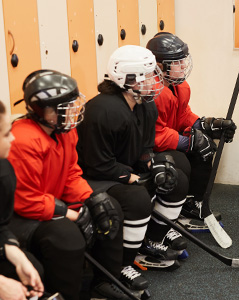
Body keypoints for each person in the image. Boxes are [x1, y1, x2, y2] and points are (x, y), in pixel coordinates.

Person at [7, 70, 140, 299]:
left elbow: (71, 174)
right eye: (65, 107)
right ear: (45, 111)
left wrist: (91, 197)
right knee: (65, 237)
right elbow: (26, 201)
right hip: (21, 215)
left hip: (50, 203)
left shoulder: (65, 131)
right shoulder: (23, 140)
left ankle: (104, 281)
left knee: (108, 209)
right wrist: (70, 214)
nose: (72, 111)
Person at [76, 45, 188, 270]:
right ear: (129, 80)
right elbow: (98, 164)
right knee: (137, 197)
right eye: (148, 76)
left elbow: (145, 149)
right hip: (96, 176)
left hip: (123, 170)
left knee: (175, 178)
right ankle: (121, 265)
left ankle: (150, 240)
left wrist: (153, 164)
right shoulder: (101, 112)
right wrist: (134, 179)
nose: (154, 82)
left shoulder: (146, 106)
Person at [146, 32, 237, 231]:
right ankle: (172, 209)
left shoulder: (181, 86)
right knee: (184, 160)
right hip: (149, 148)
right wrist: (186, 142)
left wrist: (206, 124)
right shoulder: (153, 92)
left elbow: (182, 115)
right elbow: (155, 135)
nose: (183, 66)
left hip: (164, 139)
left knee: (205, 147)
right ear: (159, 66)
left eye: (183, 60)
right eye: (177, 62)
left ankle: (192, 203)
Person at [0, 100, 44, 300]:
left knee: (31, 268)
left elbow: (0, 227)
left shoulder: (3, 171)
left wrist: (18, 258)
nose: (13, 138)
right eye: (6, 134)